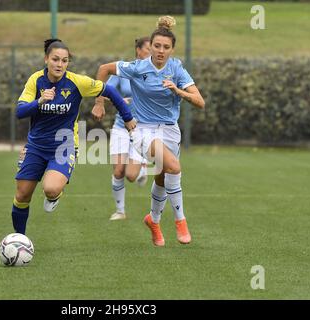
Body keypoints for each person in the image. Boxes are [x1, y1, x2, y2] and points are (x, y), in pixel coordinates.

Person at [92, 16, 205, 246]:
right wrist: (99, 102)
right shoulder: (137, 67)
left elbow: (199, 101)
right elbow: (104, 69)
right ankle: (180, 221)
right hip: (142, 130)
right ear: (149, 47)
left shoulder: (177, 69)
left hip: (170, 131)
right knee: (174, 166)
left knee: (163, 177)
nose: (161, 51)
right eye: (156, 46)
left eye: (166, 47)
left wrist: (178, 91)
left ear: (172, 49)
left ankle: (153, 220)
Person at [11, 38, 136, 235]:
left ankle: (54, 196)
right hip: (36, 146)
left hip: (63, 146)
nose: (59, 64)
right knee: (22, 195)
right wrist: (40, 101)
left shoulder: (77, 82)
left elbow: (109, 90)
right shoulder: (35, 80)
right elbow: (20, 112)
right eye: (55, 59)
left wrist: (128, 119)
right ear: (46, 60)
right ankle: (20, 240)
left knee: (50, 189)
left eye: (64, 60)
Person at [96, 37, 151, 221]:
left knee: (130, 176)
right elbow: (104, 90)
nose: (153, 53)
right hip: (121, 126)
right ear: (138, 50)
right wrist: (117, 101)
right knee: (118, 170)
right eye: (149, 49)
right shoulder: (126, 70)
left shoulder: (157, 72)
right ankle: (120, 211)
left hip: (143, 129)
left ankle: (143, 168)